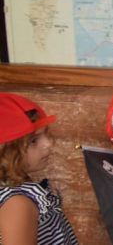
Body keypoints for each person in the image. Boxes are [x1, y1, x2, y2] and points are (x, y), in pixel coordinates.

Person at [0, 93, 78, 245]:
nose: (48, 144)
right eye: (34, 141)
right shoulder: (17, 204)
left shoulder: (17, 190)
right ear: (4, 152)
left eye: (46, 135)